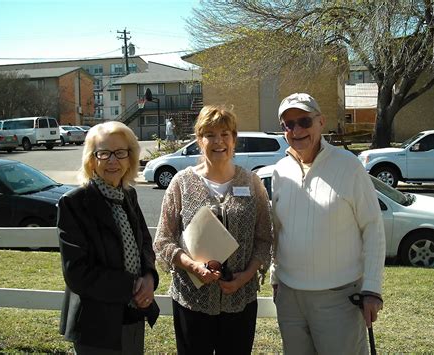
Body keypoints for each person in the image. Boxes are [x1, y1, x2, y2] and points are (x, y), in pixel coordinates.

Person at [271, 93, 386, 354]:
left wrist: (372, 289)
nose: (296, 130)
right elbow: (278, 229)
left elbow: (372, 228)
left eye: (304, 121)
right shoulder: (280, 170)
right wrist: (276, 276)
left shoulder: (349, 166)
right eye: (288, 124)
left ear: (321, 122)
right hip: (290, 297)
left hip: (339, 299)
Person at [154, 105, 273, 354]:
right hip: (192, 300)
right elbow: (163, 239)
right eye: (209, 134)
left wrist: (246, 276)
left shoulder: (252, 184)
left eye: (225, 134)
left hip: (240, 299)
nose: (218, 141)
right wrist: (192, 266)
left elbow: (264, 240)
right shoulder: (182, 183)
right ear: (199, 140)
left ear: (234, 139)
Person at [57, 121, 159, 354]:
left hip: (132, 314)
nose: (113, 161)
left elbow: (144, 243)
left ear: (130, 158)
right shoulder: (74, 203)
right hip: (95, 325)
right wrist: (133, 286)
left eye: (120, 153)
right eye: (104, 153)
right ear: (92, 159)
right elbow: (77, 273)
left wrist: (149, 277)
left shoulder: (129, 195)